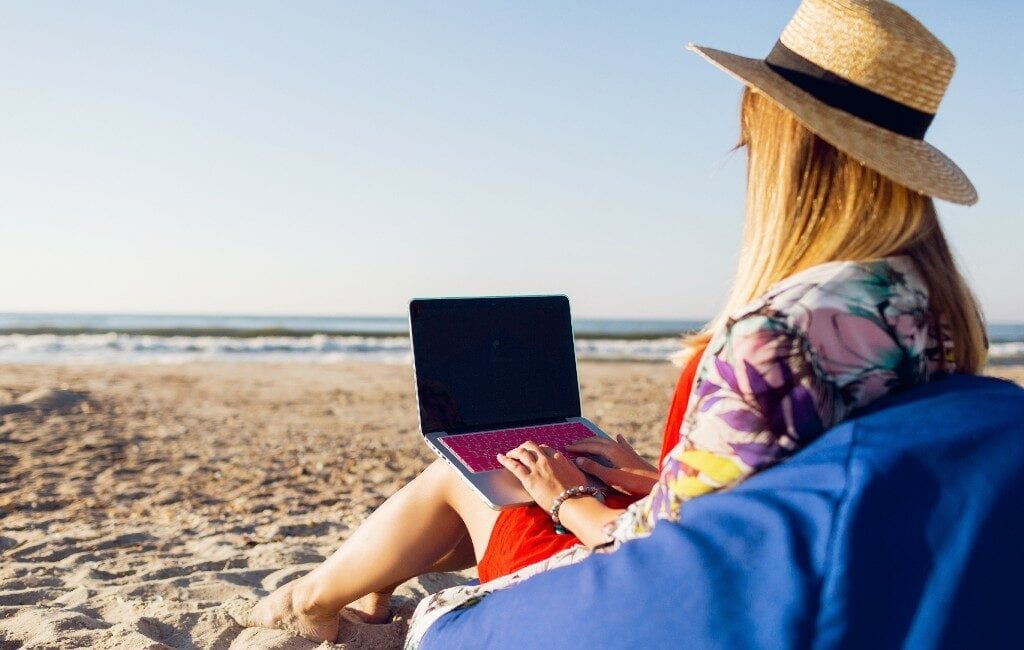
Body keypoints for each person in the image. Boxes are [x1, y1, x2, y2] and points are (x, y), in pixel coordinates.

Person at [239, 0, 986, 644]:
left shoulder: (781, 332)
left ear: (792, 148)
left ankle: (312, 599)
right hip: (811, 561)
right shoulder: (926, 305)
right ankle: (352, 592)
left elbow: (674, 553)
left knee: (473, 474)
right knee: (512, 468)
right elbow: (793, 479)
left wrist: (570, 498)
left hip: (679, 593)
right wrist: (659, 474)